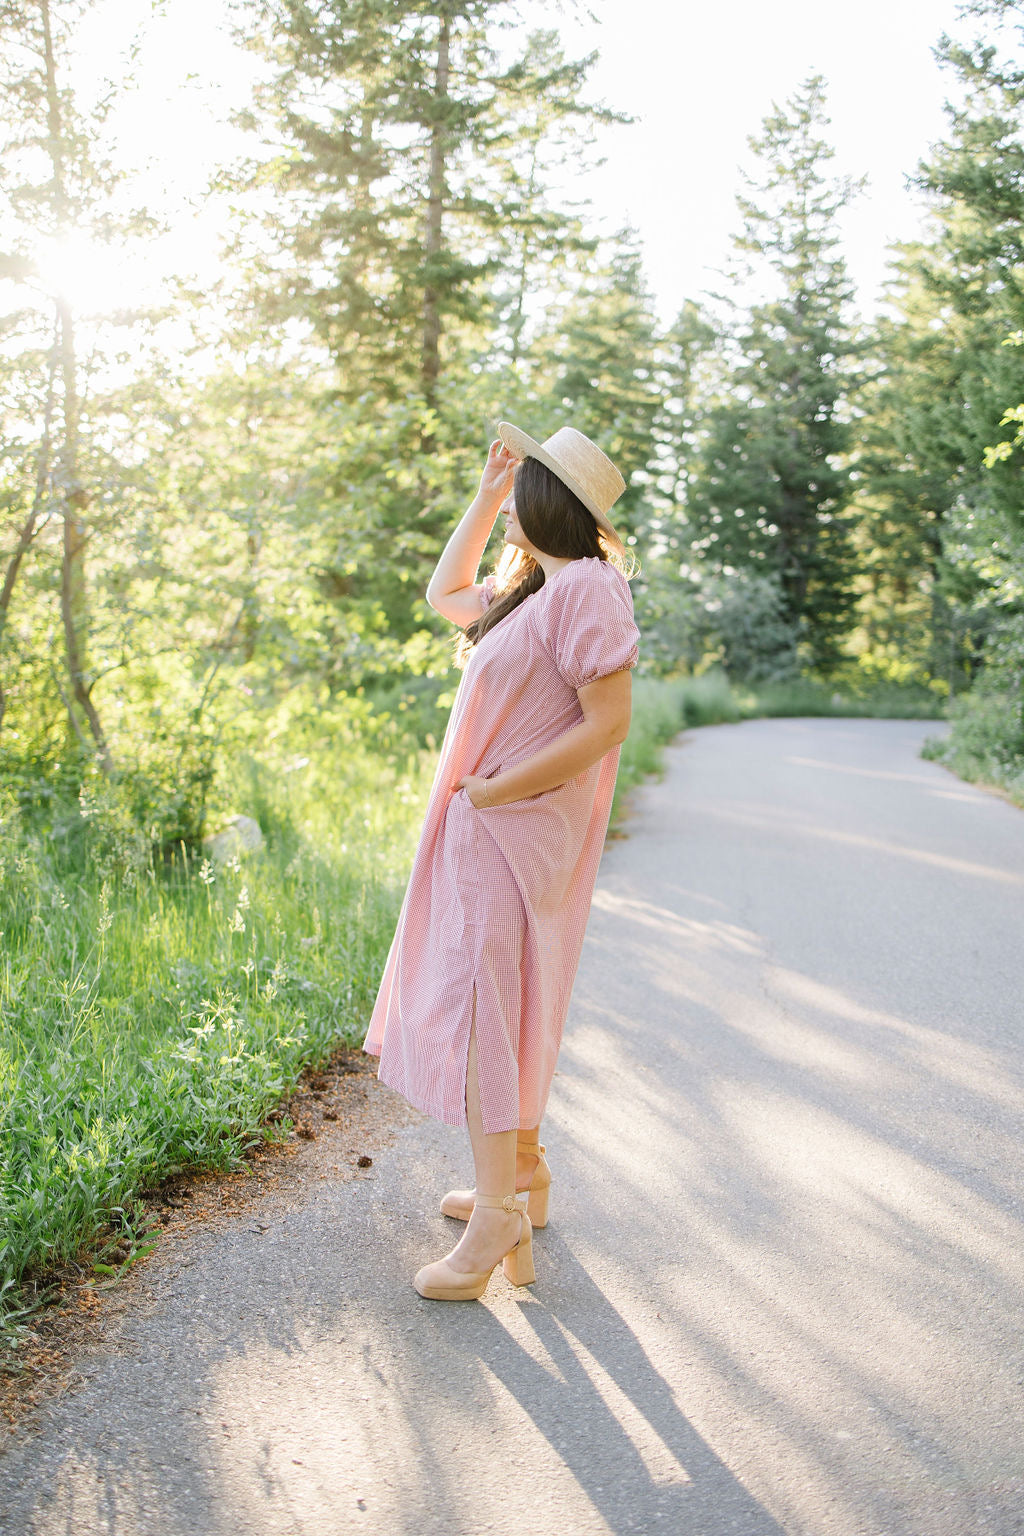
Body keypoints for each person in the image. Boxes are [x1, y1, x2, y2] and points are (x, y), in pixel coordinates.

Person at [363, 420, 640, 1301]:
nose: (513, 497)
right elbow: (445, 591)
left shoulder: (589, 589)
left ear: (551, 503)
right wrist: (485, 494)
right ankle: (523, 1177)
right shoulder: (531, 592)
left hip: (511, 831)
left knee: (487, 1012)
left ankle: (495, 1216)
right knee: (499, 1001)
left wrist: (495, 792)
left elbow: (607, 725)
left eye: (523, 488)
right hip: (489, 827)